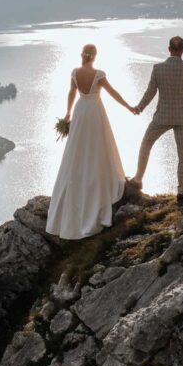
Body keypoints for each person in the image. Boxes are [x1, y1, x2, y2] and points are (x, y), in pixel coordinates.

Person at [47, 44, 138, 240]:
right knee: (98, 149)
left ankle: (76, 188)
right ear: (94, 56)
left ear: (83, 55)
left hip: (81, 111)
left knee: (77, 150)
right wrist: (129, 107)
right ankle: (97, 185)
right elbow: (113, 93)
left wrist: (68, 113)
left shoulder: (75, 73)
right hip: (95, 112)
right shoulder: (99, 74)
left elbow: (71, 93)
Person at [130, 36, 183, 204]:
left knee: (146, 143)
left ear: (169, 49)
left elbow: (150, 92)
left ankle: (138, 179)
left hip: (162, 116)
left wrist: (139, 108)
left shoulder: (158, 68)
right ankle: (181, 192)